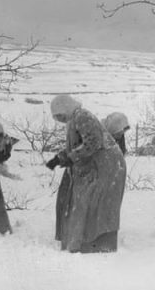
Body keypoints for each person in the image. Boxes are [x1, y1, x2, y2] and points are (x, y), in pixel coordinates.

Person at [46, 95, 127, 253]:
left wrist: (69, 158)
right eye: (57, 117)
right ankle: (87, 242)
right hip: (100, 165)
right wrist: (60, 158)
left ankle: (96, 244)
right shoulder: (75, 119)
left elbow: (93, 143)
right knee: (87, 203)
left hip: (107, 166)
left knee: (95, 203)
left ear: (66, 107)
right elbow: (78, 146)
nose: (60, 119)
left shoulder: (82, 116)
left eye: (60, 114)